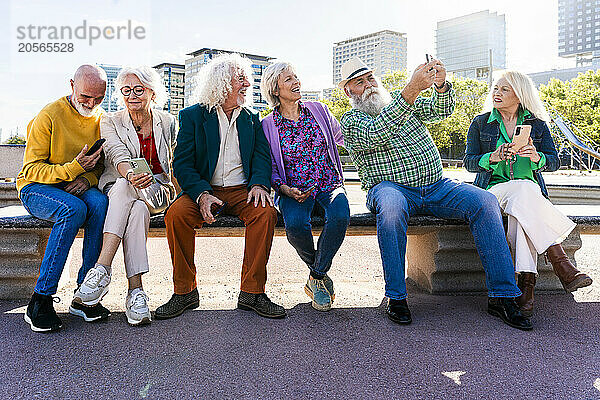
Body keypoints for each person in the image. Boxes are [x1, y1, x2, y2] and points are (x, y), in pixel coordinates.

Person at [340, 56, 531, 330]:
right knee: (391, 208)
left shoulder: (399, 100)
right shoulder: (351, 120)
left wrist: (440, 84)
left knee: (486, 202)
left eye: (370, 78)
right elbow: (377, 133)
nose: (369, 85)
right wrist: (411, 91)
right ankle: (396, 297)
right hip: (390, 189)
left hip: (436, 186)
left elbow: (441, 110)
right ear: (349, 91)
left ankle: (502, 296)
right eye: (360, 82)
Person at [155, 53, 286, 320]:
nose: (248, 84)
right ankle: (184, 292)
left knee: (265, 213)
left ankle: (252, 292)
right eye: (241, 79)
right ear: (222, 83)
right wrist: (202, 194)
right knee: (176, 215)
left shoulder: (252, 118)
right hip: (203, 189)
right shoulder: (192, 117)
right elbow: (182, 164)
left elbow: (262, 157)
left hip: (242, 191)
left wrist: (260, 184)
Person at [464, 70, 592, 317]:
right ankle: (560, 261)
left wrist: (537, 157)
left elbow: (554, 161)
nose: (496, 93)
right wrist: (493, 156)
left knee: (521, 210)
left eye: (504, 89)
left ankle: (526, 289)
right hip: (493, 192)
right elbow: (468, 162)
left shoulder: (537, 124)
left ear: (519, 95)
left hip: (526, 196)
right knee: (525, 191)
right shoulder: (481, 123)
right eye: (495, 88)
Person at [73, 66, 177, 326]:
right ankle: (136, 292)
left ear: (152, 92)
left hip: (157, 191)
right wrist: (131, 175)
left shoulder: (168, 121)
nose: (132, 95)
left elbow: (176, 162)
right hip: (121, 186)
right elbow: (116, 154)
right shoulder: (110, 121)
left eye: (139, 89)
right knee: (132, 201)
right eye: (126, 90)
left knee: (133, 195)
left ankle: (101, 269)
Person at [18, 65, 109, 332]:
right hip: (36, 188)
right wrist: (73, 169)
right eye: (85, 96)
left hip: (77, 184)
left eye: (98, 98)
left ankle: (85, 295)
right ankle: (40, 299)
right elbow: (30, 169)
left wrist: (87, 179)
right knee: (73, 209)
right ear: (72, 85)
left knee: (100, 203)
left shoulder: (101, 118)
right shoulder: (48, 115)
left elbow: (101, 167)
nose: (91, 104)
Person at [260, 62, 350, 311]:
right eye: (288, 79)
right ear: (275, 89)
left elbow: (343, 137)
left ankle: (317, 276)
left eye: (296, 77)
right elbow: (269, 165)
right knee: (296, 226)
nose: (296, 82)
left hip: (328, 183)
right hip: (293, 190)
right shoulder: (267, 125)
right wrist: (283, 188)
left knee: (340, 214)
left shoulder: (319, 110)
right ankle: (319, 275)